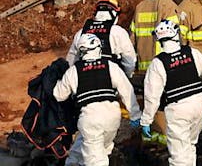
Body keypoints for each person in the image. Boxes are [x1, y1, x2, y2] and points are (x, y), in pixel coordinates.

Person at [140, 20, 202, 166]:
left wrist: (146, 121)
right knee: (190, 146)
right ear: (176, 35)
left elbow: (152, 97)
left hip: (178, 109)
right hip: (199, 103)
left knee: (179, 155)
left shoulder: (158, 63)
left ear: (159, 40)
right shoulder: (191, 52)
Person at [53, 33, 141, 166]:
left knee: (95, 159)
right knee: (88, 147)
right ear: (99, 48)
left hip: (90, 119)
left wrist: (56, 78)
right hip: (112, 117)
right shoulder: (110, 66)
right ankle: (72, 163)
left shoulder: (74, 71)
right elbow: (127, 90)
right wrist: (135, 115)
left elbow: (59, 95)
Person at [131, 0, 183, 77]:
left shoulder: (140, 7)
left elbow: (132, 39)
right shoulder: (169, 6)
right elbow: (177, 38)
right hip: (164, 68)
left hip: (143, 70)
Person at [66, 0, 137, 77]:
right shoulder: (118, 32)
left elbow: (71, 62)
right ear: (114, 13)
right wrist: (127, 76)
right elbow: (129, 61)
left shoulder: (81, 32)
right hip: (110, 81)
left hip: (85, 81)